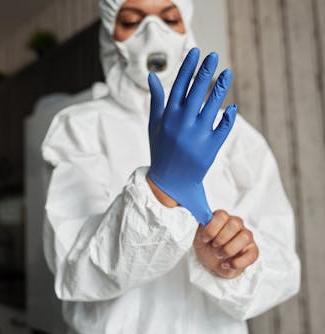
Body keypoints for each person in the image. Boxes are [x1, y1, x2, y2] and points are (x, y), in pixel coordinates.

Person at [41, 0, 301, 333]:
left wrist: (230, 263)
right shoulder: (78, 129)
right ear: (110, 35)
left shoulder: (231, 133)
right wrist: (158, 192)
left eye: (169, 18)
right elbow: (74, 272)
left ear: (185, 28)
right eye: (133, 21)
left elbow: (283, 269)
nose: (153, 32)